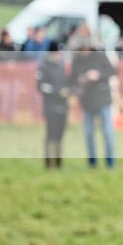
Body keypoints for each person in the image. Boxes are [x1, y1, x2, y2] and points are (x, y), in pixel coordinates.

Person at [69, 35, 117, 168]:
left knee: (107, 133)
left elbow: (112, 71)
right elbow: (71, 79)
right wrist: (80, 79)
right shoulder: (77, 60)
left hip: (103, 100)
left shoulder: (100, 56)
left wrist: (98, 75)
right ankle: (92, 163)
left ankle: (110, 162)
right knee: (89, 134)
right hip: (87, 101)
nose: (83, 52)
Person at [36, 42, 69, 169]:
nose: (58, 56)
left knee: (60, 135)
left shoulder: (61, 67)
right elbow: (41, 87)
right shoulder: (43, 67)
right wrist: (57, 91)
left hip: (63, 105)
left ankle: (59, 163)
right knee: (51, 134)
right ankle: (49, 163)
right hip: (50, 105)